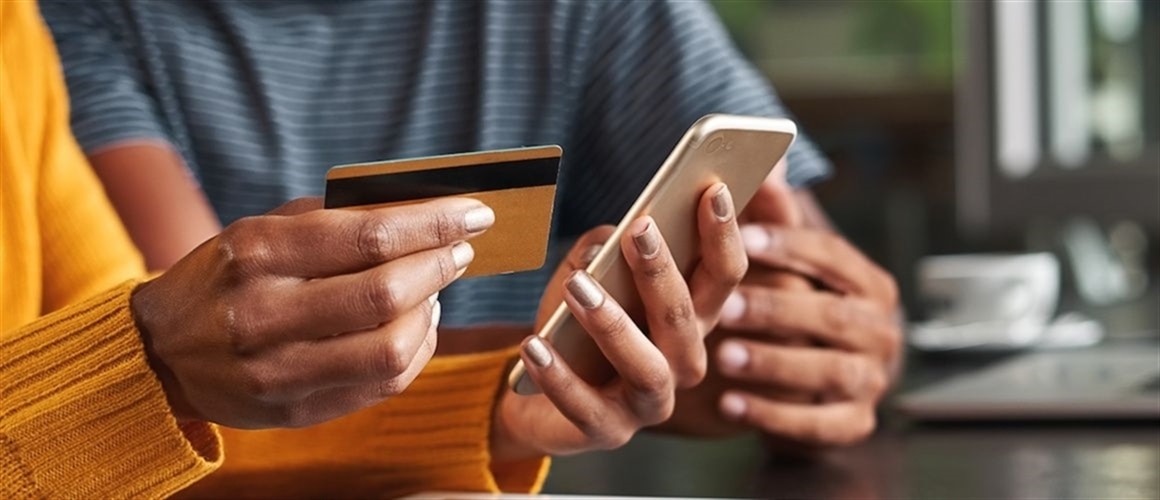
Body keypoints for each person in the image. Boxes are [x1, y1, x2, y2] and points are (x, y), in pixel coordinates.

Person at [42, 0, 900, 466]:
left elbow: (797, 289)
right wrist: (546, 375)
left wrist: (825, 349)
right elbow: (217, 381)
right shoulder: (70, 27)